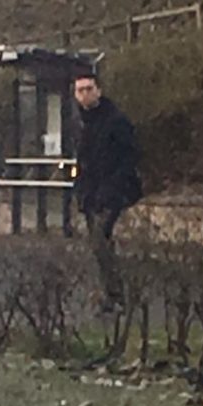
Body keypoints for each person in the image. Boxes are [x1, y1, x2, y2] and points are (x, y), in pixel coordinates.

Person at [71, 72, 142, 313]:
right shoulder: (81, 123)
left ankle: (118, 295)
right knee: (98, 244)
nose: (84, 94)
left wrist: (112, 188)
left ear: (99, 91)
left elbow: (128, 157)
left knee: (101, 240)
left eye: (89, 89)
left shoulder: (115, 121)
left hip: (113, 191)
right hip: (91, 193)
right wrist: (79, 189)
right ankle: (111, 294)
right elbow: (80, 162)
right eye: (80, 90)